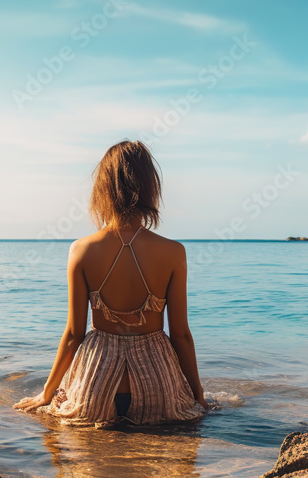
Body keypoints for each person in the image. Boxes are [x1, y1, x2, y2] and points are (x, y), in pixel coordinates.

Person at [13, 140, 213, 425]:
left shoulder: (81, 250)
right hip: (159, 385)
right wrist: (198, 396)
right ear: (149, 188)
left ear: (103, 189)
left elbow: (74, 334)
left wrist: (46, 393)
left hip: (95, 387)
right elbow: (180, 335)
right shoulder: (173, 252)